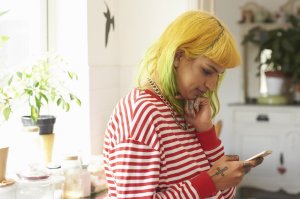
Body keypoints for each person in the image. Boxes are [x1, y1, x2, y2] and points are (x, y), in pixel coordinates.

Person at [103, 10, 263, 199]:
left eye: (217, 75)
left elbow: (226, 192)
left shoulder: (184, 110)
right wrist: (211, 182)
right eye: (206, 71)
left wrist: (206, 133)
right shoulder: (141, 113)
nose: (212, 86)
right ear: (178, 56)